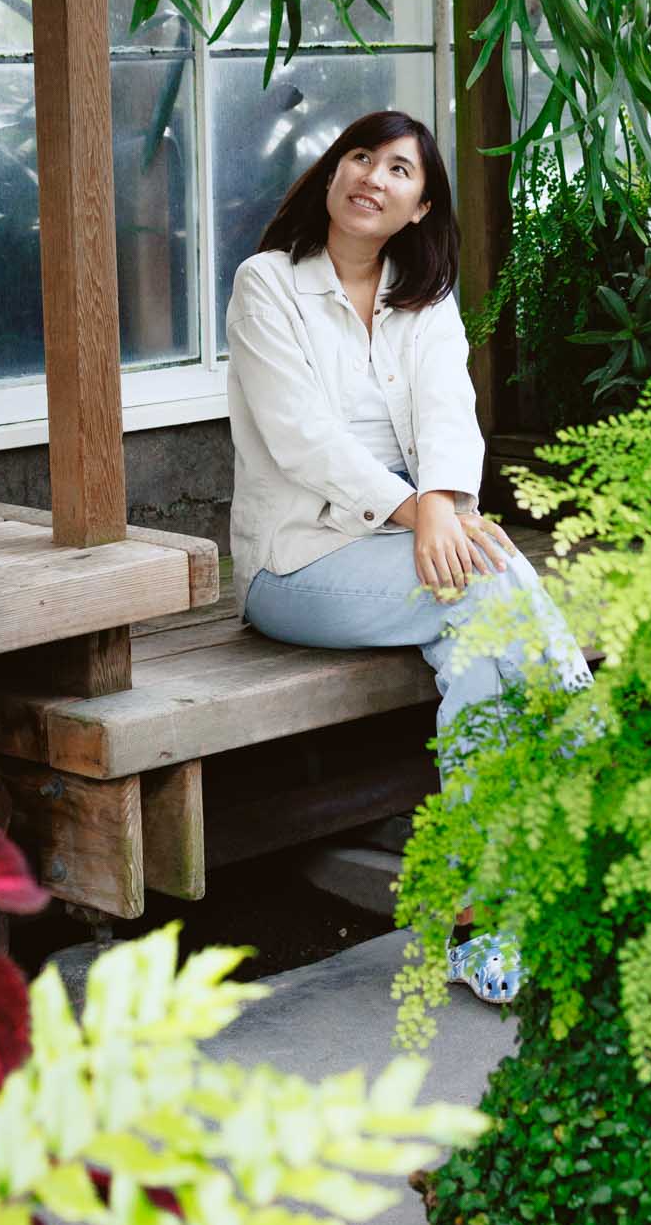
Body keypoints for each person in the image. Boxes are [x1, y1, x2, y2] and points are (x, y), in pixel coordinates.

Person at [226, 107, 591, 1004]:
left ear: (420, 208)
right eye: (361, 157)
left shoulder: (421, 300)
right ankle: (585, 779)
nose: (372, 178)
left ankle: (490, 901)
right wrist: (420, 508)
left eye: (399, 171)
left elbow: (448, 419)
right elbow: (299, 436)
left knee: (482, 627)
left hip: (411, 541)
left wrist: (450, 509)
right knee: (487, 589)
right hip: (298, 562)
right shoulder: (267, 283)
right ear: (332, 172)